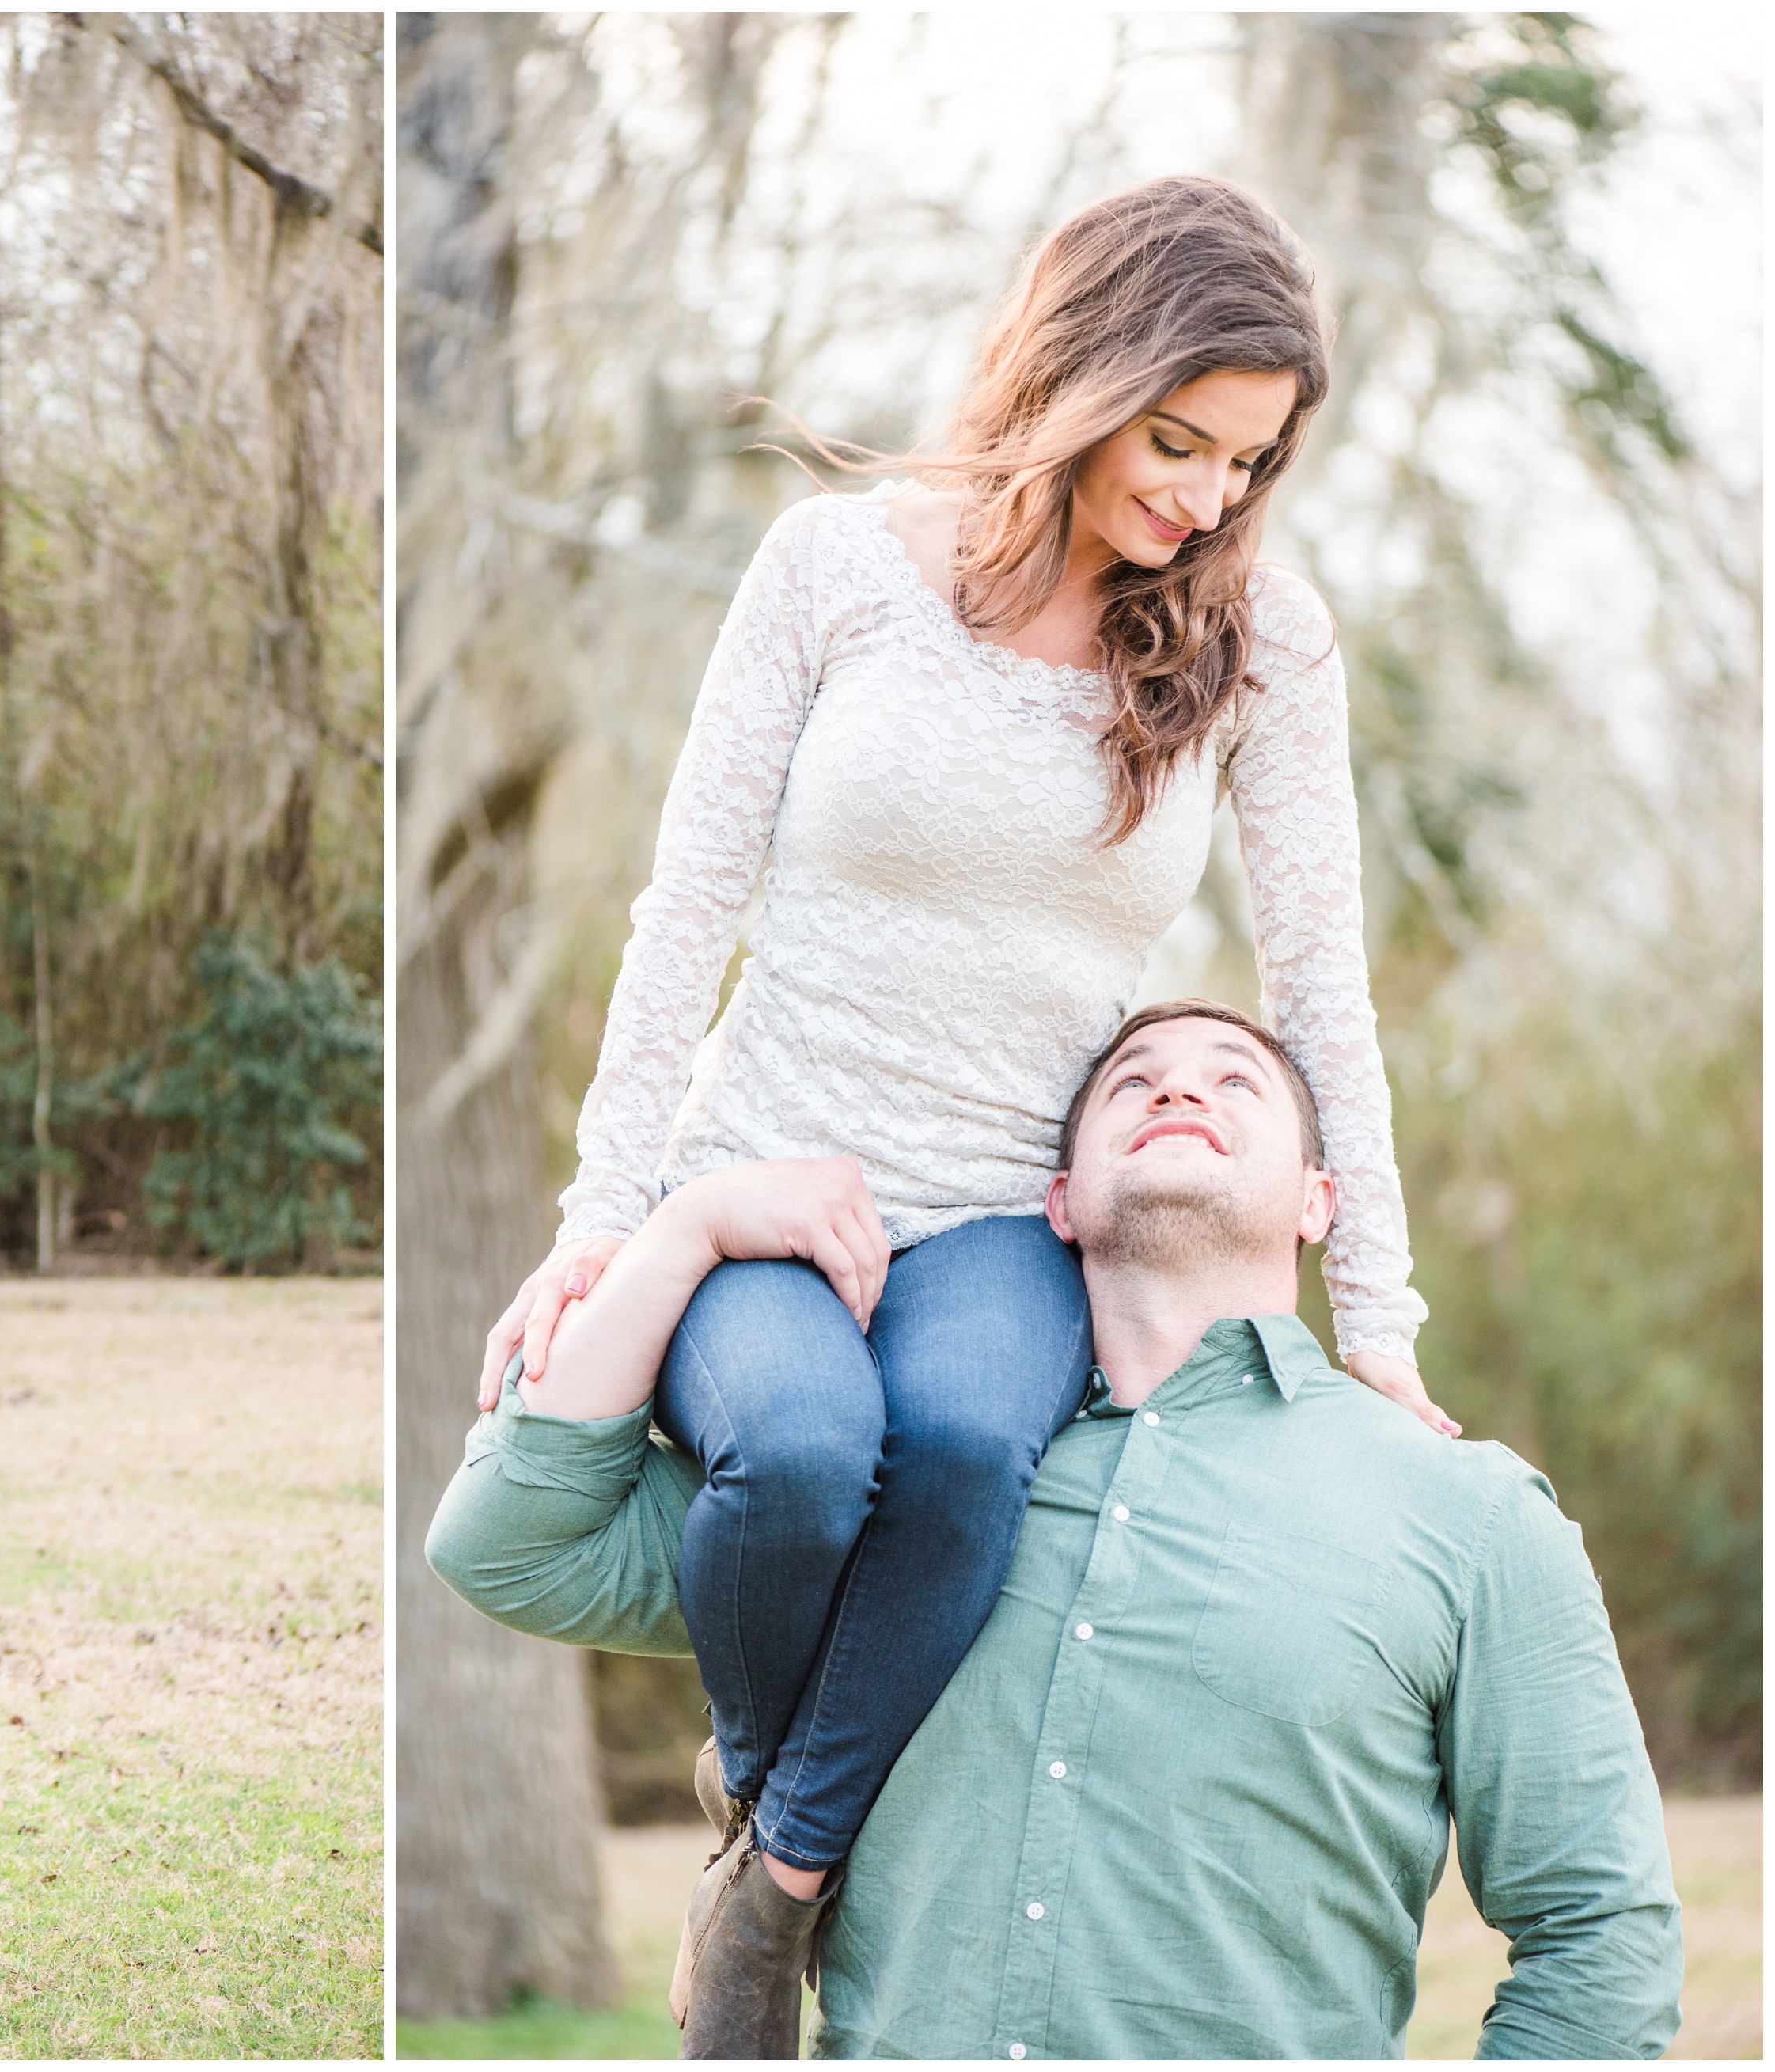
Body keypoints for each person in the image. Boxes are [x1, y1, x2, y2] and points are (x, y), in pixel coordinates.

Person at [468, 175, 1455, 2045]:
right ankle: (773, 1794)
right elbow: (684, 911)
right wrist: (609, 1218)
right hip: (765, 1168)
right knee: (802, 1455)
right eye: (1179, 442)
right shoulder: (831, 568)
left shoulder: (1265, 643)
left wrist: (1380, 1327)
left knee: (959, 1454)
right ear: (1078, 373)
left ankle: (776, 1880)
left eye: (1248, 465)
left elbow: (1325, 994)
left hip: (1009, 1211)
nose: (1208, 499)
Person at [428, 1003, 1683, 2059]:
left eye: (1233, 1078)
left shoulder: (1466, 1514)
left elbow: (1599, 1934)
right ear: (1060, 1201)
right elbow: (508, 1545)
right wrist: (682, 1231)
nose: (1179, 1085)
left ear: (1320, 1199)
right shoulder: (891, 1485)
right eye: (1132, 1081)